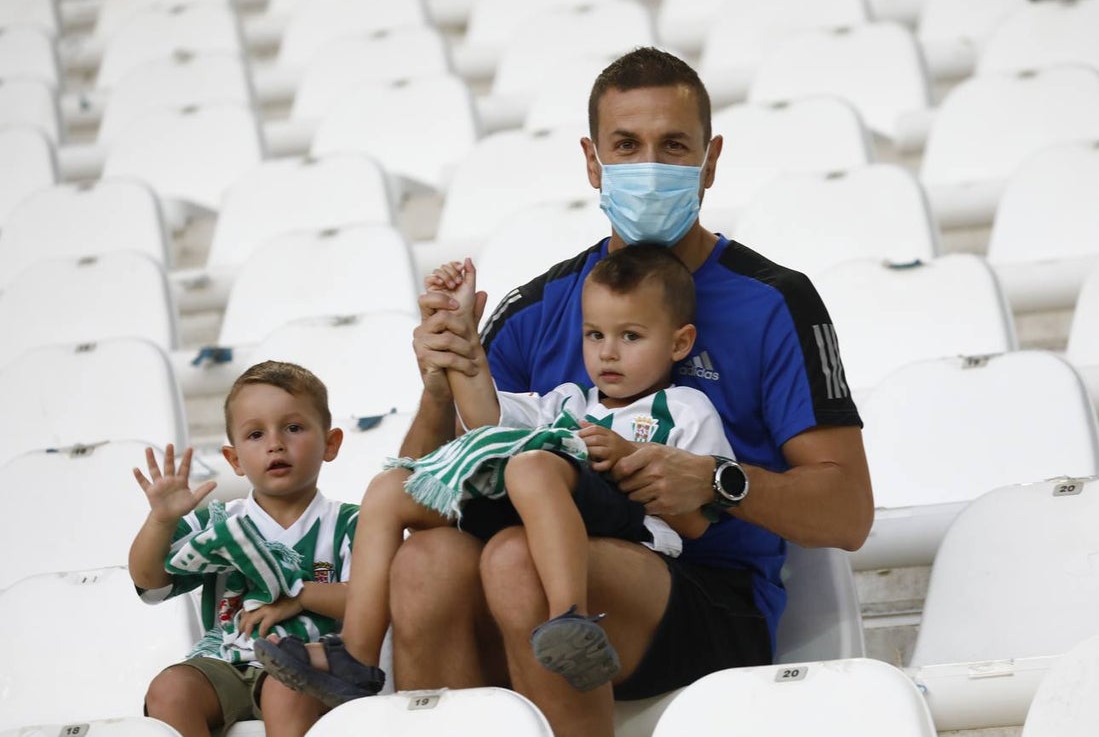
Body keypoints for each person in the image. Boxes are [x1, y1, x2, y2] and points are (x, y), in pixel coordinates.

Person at [275, 46, 872, 737]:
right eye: (627, 145)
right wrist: (441, 387)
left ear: (709, 161)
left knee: (513, 557)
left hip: (710, 593)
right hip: (551, 576)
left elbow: (848, 513)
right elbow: (431, 487)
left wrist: (717, 480)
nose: (649, 165)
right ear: (593, 161)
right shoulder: (537, 309)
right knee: (427, 561)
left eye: (673, 145)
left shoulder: (775, 300)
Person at [254, 244, 737, 702]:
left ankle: (570, 619)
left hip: (627, 531)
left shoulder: (688, 408)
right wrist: (460, 334)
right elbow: (487, 417)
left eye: (630, 336)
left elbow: (697, 523)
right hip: (529, 509)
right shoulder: (566, 402)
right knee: (389, 487)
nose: (608, 353)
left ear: (680, 343)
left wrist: (629, 455)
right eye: (595, 335)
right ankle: (356, 656)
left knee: (531, 468)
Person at [128, 361, 370, 737]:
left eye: (293, 427)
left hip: (309, 661)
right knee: (170, 690)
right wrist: (160, 521)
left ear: (331, 443)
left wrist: (303, 595)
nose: (275, 442)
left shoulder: (351, 523)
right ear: (234, 460)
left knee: (285, 687)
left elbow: (372, 601)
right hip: (224, 661)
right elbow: (150, 583)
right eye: (255, 434)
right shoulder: (219, 522)